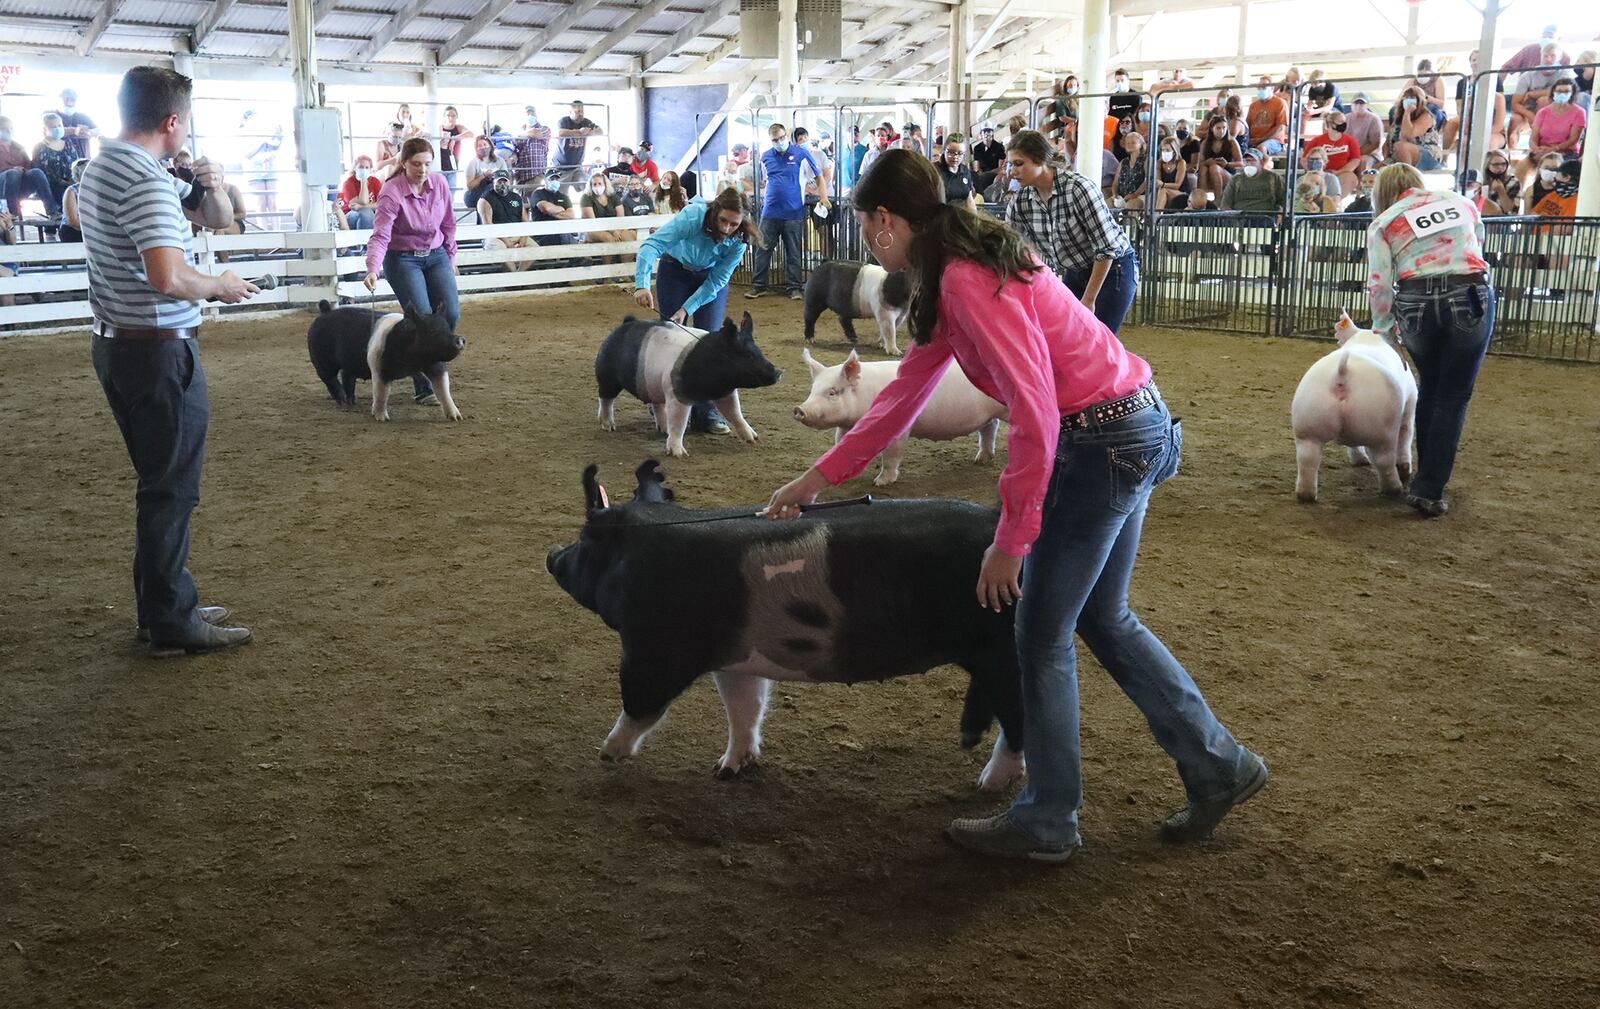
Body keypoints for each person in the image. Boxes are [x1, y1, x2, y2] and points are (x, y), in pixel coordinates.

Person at [763, 149, 1265, 861]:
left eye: (867, 227)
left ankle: (1049, 816)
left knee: (1040, 631)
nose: (868, 241)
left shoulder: (964, 280)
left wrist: (1012, 536)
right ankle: (1220, 765)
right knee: (1102, 616)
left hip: (1099, 441)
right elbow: (905, 389)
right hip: (1135, 423)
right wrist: (819, 475)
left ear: (883, 220)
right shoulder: (965, 266)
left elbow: (1034, 410)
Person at [81, 66, 258, 656]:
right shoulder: (148, 182)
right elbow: (169, 276)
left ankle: (161, 604)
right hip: (158, 352)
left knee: (160, 485)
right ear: (173, 120)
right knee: (172, 491)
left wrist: (210, 183)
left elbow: (217, 217)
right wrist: (220, 283)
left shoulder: (104, 167)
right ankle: (171, 623)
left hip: (117, 347)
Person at [1367, 162, 1494, 518]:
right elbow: (1477, 243)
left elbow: (1378, 282)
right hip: (1468, 293)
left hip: (1415, 300)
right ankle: (1429, 487)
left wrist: (1384, 330)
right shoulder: (1459, 201)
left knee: (1431, 387)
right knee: (1453, 394)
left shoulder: (1385, 221)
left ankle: (1425, 481)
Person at [632, 188, 762, 436]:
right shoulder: (693, 216)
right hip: (674, 270)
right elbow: (653, 244)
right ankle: (660, 402)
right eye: (723, 220)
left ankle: (705, 413)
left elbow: (717, 281)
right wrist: (641, 284)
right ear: (714, 212)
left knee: (709, 341)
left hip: (708, 280)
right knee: (669, 338)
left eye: (734, 224)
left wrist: (686, 309)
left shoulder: (740, 241)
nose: (726, 228)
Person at [1004, 130, 1138, 333]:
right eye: (1011, 164)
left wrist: (1088, 299)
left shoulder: (1079, 188)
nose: (1012, 172)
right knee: (1065, 336)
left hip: (1114, 269)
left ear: (1040, 160)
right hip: (1075, 270)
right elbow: (1010, 247)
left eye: (1019, 164)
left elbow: (1106, 249)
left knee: (1097, 337)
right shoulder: (1020, 200)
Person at [363, 138, 459, 406]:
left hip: (437, 254)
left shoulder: (439, 184)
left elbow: (449, 223)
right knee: (422, 319)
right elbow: (381, 235)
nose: (423, 170)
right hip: (403, 259)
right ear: (403, 163)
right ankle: (423, 381)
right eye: (416, 164)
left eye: (428, 164)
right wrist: (373, 268)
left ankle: (432, 363)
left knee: (450, 313)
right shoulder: (391, 192)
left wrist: (451, 256)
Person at [745, 122, 823, 301]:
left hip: (793, 211)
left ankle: (794, 287)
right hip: (770, 211)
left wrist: (822, 196)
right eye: (775, 139)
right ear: (770, 140)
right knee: (762, 249)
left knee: (793, 251)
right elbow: (763, 181)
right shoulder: (765, 157)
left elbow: (818, 175)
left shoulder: (801, 154)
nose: (779, 141)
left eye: (781, 138)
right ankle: (758, 286)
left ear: (786, 136)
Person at [1509, 45, 1574, 146]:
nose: (1548, 59)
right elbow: (1515, 103)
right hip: (1529, 111)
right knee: (1515, 119)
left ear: (1559, 58)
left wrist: (1533, 94)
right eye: (1545, 56)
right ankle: (1510, 153)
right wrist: (1529, 114)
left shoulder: (1565, 73)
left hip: (1555, 111)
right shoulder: (1527, 75)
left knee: (1544, 101)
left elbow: (1565, 92)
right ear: (1541, 57)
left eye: (1552, 56)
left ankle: (1542, 144)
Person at [1524, 78, 1585, 182]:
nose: (1562, 94)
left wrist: (1552, 149)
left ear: (1572, 93)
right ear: (1553, 92)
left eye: (1566, 91)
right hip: (1542, 150)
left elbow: (1573, 140)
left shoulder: (1579, 112)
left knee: (1552, 167)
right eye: (1559, 91)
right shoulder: (1543, 112)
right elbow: (1533, 138)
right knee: (1523, 166)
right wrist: (1536, 149)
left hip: (1566, 153)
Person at [0, 114, 56, 218]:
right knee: (12, 173)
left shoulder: (19, 147)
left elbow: (29, 166)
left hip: (19, 185)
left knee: (36, 172)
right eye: (4, 128)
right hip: (3, 186)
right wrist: (11, 169)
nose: (8, 131)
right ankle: (12, 212)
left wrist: (23, 170)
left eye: (11, 128)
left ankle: (52, 211)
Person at [478, 169, 533, 271]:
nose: (502, 184)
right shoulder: (485, 199)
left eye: (505, 181)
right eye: (499, 182)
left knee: (535, 249)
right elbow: (488, 225)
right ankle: (514, 279)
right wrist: (506, 241)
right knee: (501, 250)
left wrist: (523, 238)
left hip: (516, 234)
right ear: (493, 182)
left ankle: (518, 277)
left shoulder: (516, 197)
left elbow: (525, 220)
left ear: (510, 182)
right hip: (495, 237)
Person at [1305, 111, 1362, 200]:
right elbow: (1305, 158)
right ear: (1330, 124)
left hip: (1342, 173)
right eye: (1340, 122)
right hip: (1321, 172)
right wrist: (1317, 171)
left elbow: (1355, 160)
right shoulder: (1317, 140)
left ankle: (1334, 202)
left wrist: (1339, 172)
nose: (1343, 124)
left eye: (1344, 122)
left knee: (1350, 178)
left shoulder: (1350, 140)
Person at [34, 113, 76, 232]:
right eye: (53, 127)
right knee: (62, 192)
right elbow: (42, 169)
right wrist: (61, 181)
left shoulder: (68, 144)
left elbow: (75, 163)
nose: (57, 129)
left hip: (70, 181)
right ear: (45, 129)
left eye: (59, 125)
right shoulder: (39, 147)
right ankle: (57, 224)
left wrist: (73, 180)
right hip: (51, 184)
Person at [1388, 86, 1445, 170]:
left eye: (1412, 97)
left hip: (1427, 153)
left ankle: (1407, 178)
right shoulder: (1398, 118)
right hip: (1399, 154)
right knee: (1377, 168)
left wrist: (1407, 112)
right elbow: (1388, 141)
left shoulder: (1426, 116)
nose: (1408, 100)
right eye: (1406, 97)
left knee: (1401, 147)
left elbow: (1408, 134)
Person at [1218, 149, 1285, 215]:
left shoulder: (1274, 178)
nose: (1248, 163)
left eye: (1252, 160)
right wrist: (1232, 220)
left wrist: (1279, 214)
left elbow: (1283, 201)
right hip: (1240, 220)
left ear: (1261, 163)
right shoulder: (1236, 180)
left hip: (1266, 219)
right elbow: (1225, 204)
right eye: (1245, 161)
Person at [1192, 114, 1240, 207]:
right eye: (1218, 128)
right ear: (1211, 129)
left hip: (1227, 174)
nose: (1222, 131)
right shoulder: (1205, 143)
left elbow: (1241, 163)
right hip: (1208, 175)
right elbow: (1200, 163)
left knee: (1214, 168)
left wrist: (1227, 164)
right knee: (1204, 168)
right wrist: (1207, 162)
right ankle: (1202, 200)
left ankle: (1219, 200)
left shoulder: (1231, 141)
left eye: (1224, 128)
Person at [580, 171, 628, 251]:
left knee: (626, 237)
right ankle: (608, 263)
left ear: (605, 184)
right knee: (608, 237)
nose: (597, 186)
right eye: (594, 184)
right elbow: (593, 221)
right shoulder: (586, 198)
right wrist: (612, 231)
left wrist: (618, 231)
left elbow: (621, 217)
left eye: (600, 183)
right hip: (593, 230)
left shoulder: (613, 196)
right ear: (590, 186)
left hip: (614, 228)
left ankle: (625, 262)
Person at [529, 171, 579, 246]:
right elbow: (546, 208)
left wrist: (552, 212)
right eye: (552, 179)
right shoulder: (538, 193)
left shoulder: (563, 196)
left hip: (562, 232)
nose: (555, 181)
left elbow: (571, 215)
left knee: (567, 236)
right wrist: (562, 209)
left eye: (556, 179)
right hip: (543, 233)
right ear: (545, 181)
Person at [463, 135, 510, 214]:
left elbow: (506, 180)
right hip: (475, 194)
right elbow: (470, 185)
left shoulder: (500, 161)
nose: (482, 147)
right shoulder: (473, 163)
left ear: (490, 146)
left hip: (496, 192)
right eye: (479, 146)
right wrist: (483, 176)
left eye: (485, 144)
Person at [1247, 75, 1290, 156]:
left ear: (1272, 88)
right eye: (1259, 87)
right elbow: (1247, 125)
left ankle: (1264, 166)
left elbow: (1280, 127)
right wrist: (1248, 140)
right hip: (1254, 139)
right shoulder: (1253, 105)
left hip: (1274, 140)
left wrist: (1261, 140)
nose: (1260, 89)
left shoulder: (1280, 103)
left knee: (1261, 148)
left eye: (1264, 87)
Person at [1148, 136, 1194, 210]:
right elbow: (1158, 182)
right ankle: (1149, 214)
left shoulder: (1181, 163)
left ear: (1174, 151)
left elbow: (1177, 185)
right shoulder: (1159, 163)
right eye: (1163, 150)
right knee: (1156, 191)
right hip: (1163, 192)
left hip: (1181, 193)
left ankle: (1156, 216)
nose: (1165, 152)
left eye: (1168, 150)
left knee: (1163, 190)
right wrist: (1159, 184)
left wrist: (1163, 184)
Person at [54, 88, 99, 162]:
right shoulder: (51, 115)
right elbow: (51, 131)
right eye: (66, 99)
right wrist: (74, 131)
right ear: (59, 99)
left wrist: (89, 132)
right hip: (58, 161)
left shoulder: (83, 117)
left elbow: (98, 131)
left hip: (82, 161)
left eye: (73, 99)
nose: (69, 102)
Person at [936, 132, 977, 211]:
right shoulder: (936, 170)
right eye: (950, 152)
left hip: (961, 216)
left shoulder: (965, 171)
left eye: (960, 153)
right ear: (944, 150)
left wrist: (975, 220)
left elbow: (969, 200)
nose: (955, 157)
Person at [556, 100, 600, 174]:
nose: (581, 114)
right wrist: (579, 132)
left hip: (577, 166)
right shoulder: (563, 121)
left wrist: (590, 132)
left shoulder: (586, 122)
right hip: (561, 166)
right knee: (561, 185)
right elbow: (560, 133)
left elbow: (600, 131)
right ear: (570, 111)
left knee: (584, 184)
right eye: (578, 112)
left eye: (582, 111)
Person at [338, 155, 381, 229]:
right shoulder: (348, 183)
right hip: (350, 215)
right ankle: (365, 240)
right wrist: (363, 181)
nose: (364, 170)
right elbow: (363, 201)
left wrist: (362, 206)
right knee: (366, 213)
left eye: (367, 167)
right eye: (361, 167)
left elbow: (381, 204)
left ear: (370, 169)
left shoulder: (375, 181)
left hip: (370, 213)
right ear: (355, 168)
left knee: (371, 213)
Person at [436, 105, 471, 196]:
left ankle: (449, 209)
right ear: (444, 116)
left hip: (453, 162)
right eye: (448, 115)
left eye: (453, 115)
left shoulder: (458, 127)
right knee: (440, 191)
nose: (451, 118)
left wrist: (454, 138)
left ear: (457, 117)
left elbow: (471, 134)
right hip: (440, 162)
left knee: (452, 190)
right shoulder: (440, 127)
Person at [1344, 94, 1385, 169]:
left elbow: (1375, 144)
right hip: (1347, 152)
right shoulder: (1345, 118)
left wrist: (1355, 154)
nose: (1359, 105)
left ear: (1367, 105)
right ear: (1351, 105)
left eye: (1362, 103)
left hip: (1369, 154)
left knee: (1363, 162)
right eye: (1356, 103)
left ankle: (1363, 180)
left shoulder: (1374, 119)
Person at [1478, 152, 1520, 217]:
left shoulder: (1513, 182)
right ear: (1488, 165)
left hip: (1503, 221)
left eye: (1503, 164)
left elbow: (1511, 211)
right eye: (1496, 164)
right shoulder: (1481, 181)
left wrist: (1501, 191)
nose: (1500, 167)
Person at [59, 158, 88, 243]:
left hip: (90, 229)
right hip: (73, 231)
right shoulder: (72, 190)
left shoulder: (98, 189)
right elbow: (72, 221)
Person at [971, 125, 1005, 193]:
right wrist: (979, 172)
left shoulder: (999, 147)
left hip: (994, 173)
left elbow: (1001, 167)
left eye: (989, 135)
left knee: (985, 178)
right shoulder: (977, 148)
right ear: (981, 136)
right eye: (985, 135)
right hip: (981, 173)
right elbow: (976, 167)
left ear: (992, 135)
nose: (987, 138)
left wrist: (987, 173)